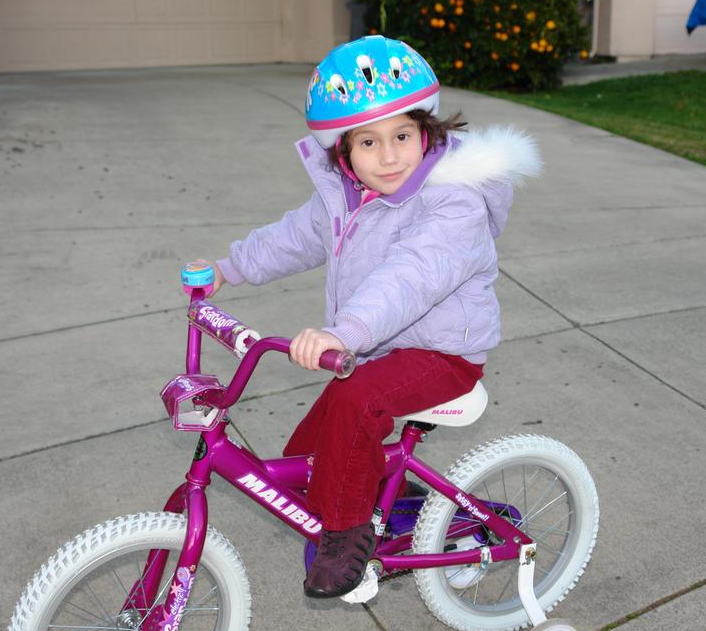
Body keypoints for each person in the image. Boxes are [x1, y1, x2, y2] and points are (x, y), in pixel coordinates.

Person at [204, 35, 541, 598]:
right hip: (378, 346)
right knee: (309, 454)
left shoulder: (452, 201)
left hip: (443, 352)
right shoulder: (347, 193)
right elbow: (295, 237)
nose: (389, 157)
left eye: (402, 136)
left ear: (426, 130)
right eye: (368, 142)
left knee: (356, 405)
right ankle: (393, 503)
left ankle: (347, 533)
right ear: (343, 151)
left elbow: (411, 277)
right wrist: (227, 268)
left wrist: (343, 333)